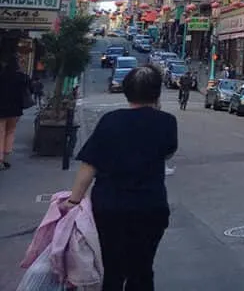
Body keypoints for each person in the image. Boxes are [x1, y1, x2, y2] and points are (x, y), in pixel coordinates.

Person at [61, 64, 177, 291]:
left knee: (111, 268)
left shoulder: (110, 121)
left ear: (126, 91)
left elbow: (89, 165)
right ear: (157, 93)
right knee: (142, 268)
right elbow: (168, 152)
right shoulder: (167, 122)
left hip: (110, 207)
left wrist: (74, 200)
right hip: (149, 206)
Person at [0, 57, 30, 169]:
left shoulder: (1, 77)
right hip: (15, 110)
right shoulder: (21, 77)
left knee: (1, 132)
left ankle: (0, 158)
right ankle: (6, 156)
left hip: (1, 109)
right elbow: (27, 89)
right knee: (10, 132)